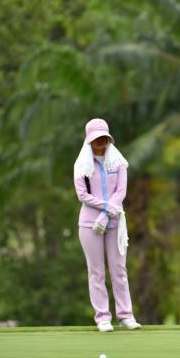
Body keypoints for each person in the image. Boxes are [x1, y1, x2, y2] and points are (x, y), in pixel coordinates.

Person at [73, 118, 141, 332]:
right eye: (97, 141)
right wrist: (104, 211)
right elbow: (82, 195)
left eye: (104, 140)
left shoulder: (119, 163)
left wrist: (106, 216)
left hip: (114, 222)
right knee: (96, 272)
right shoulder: (82, 164)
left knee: (119, 270)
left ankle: (126, 316)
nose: (101, 145)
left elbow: (120, 192)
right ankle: (103, 317)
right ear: (89, 142)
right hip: (88, 225)